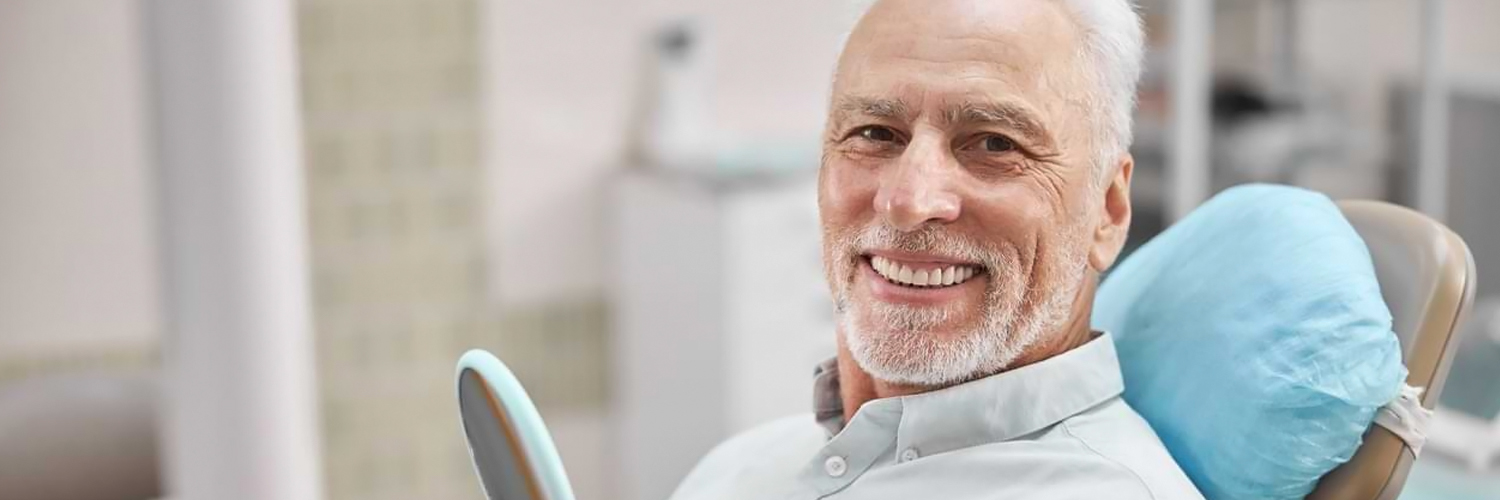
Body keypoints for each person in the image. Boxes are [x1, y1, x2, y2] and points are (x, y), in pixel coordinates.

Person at [667, 0, 1204, 498]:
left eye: (995, 143)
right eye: (875, 133)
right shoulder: (738, 467)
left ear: (1108, 210)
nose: (907, 201)